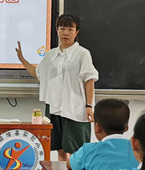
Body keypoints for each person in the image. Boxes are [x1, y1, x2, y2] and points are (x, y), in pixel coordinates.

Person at [16, 13, 98, 161]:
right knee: (60, 149)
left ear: (77, 32)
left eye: (70, 29)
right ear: (56, 30)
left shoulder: (82, 54)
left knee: (77, 151)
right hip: (54, 107)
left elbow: (89, 80)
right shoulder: (51, 55)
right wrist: (23, 60)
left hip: (75, 107)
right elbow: (38, 73)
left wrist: (89, 105)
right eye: (62, 28)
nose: (65, 33)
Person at [67, 98, 138, 170]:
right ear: (127, 127)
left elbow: (69, 165)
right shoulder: (138, 150)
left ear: (97, 127)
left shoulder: (88, 149)